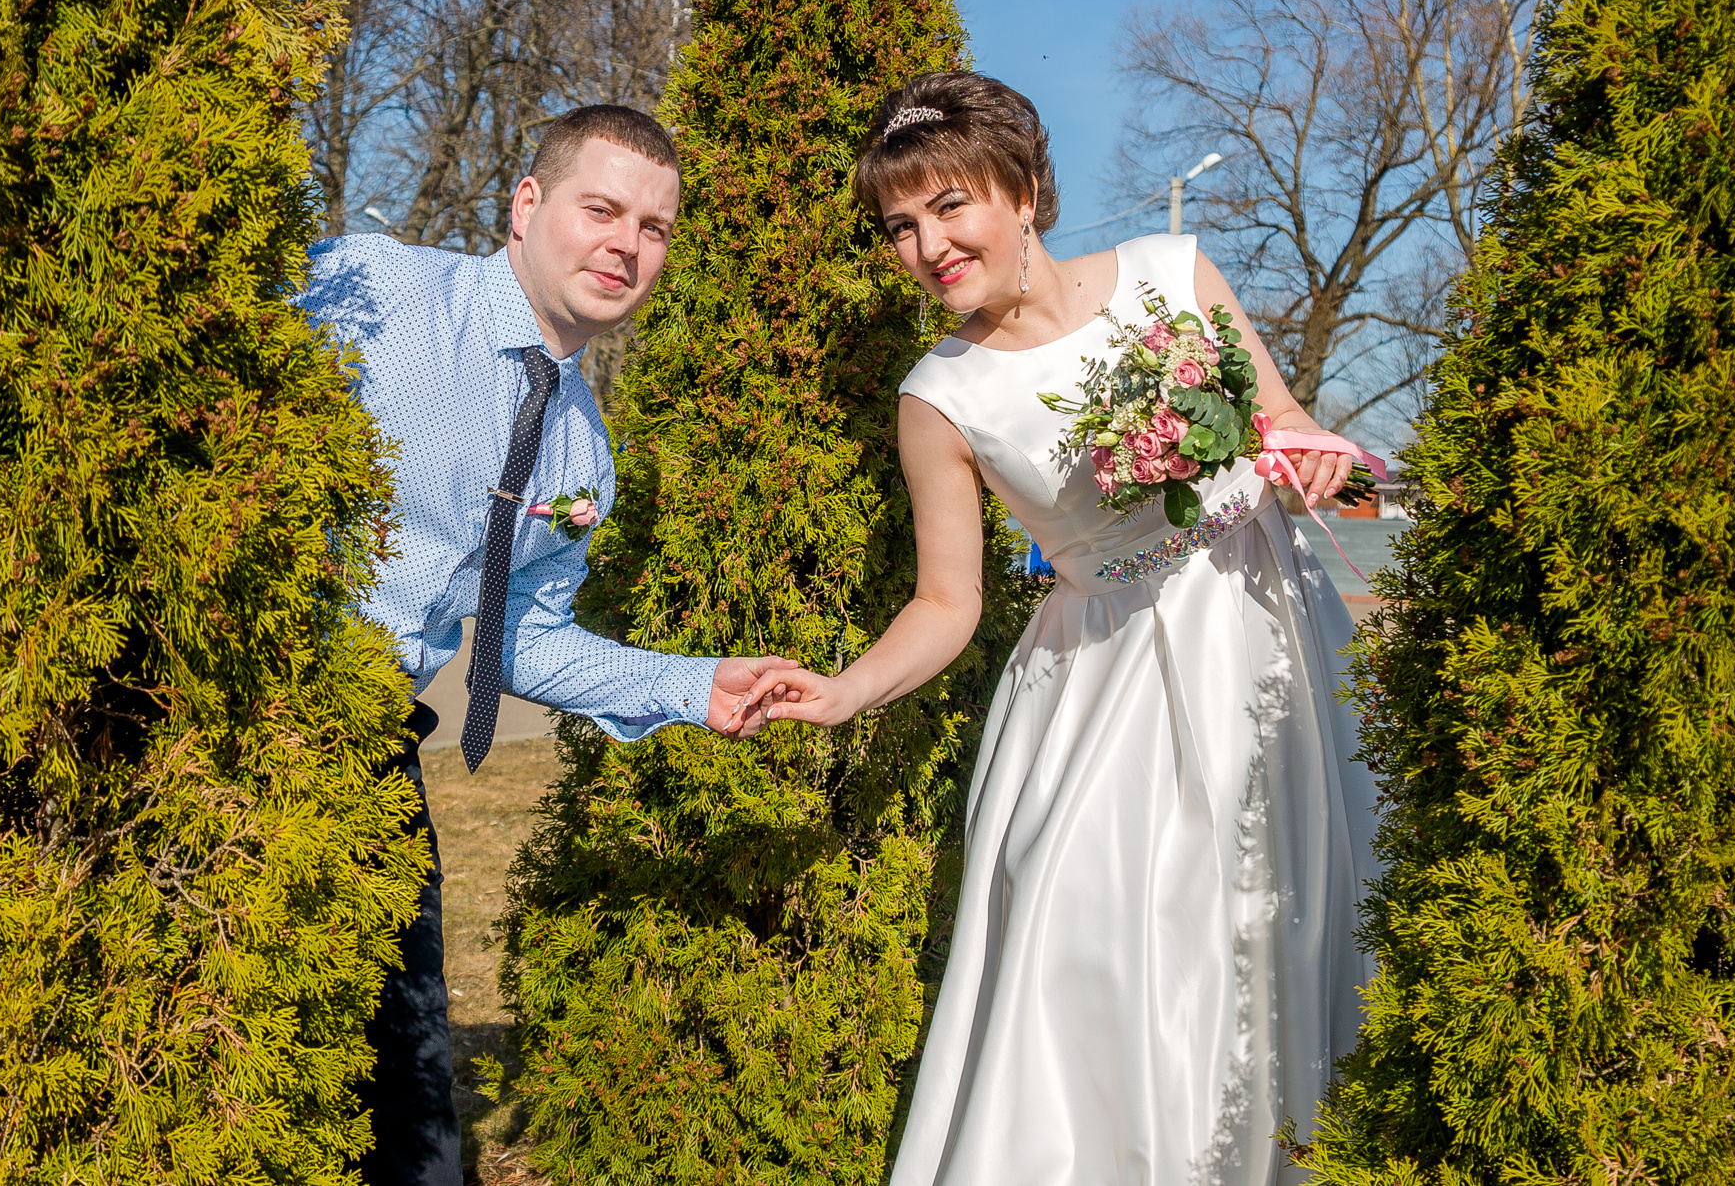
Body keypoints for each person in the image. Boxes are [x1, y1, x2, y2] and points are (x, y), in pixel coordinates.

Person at [735, 72, 1380, 1186]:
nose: (927, 246)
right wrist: (845, 689)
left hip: (1261, 623)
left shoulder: (1173, 273)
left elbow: (1283, 425)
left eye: (949, 206)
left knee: (1278, 913)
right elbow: (949, 602)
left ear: (1024, 190)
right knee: (1101, 933)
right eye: (899, 225)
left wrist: (1313, 456)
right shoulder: (939, 396)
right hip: (1106, 679)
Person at [300, 104, 793, 1186]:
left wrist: (692, 685)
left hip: (376, 751)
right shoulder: (378, 290)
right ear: (527, 205)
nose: (626, 245)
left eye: (653, 228)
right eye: (601, 209)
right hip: (238, 700)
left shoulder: (582, 455)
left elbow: (521, 642)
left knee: (412, 1101)